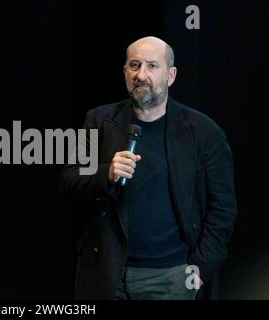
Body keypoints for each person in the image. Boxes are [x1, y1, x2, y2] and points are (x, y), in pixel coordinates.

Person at [60, 36, 237, 300]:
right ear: (124, 72)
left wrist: (198, 270)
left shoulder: (204, 132)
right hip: (108, 274)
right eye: (134, 65)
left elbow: (223, 208)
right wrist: (105, 173)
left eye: (152, 66)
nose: (141, 75)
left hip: (171, 277)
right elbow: (68, 178)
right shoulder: (97, 120)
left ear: (171, 75)